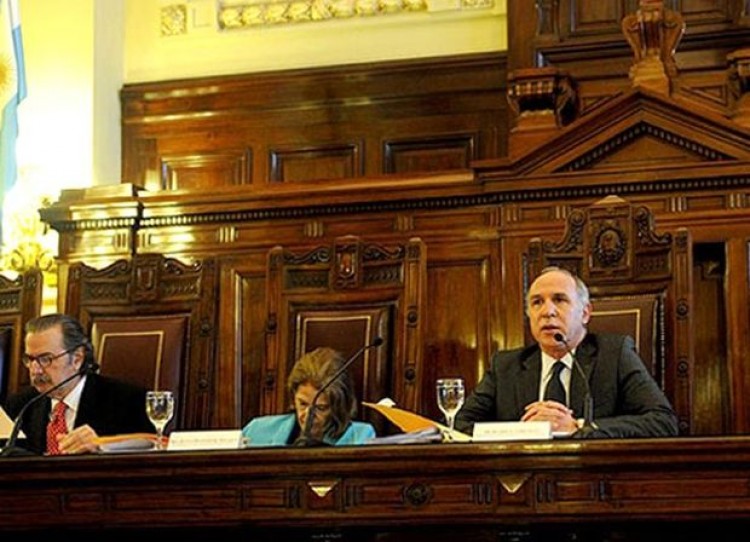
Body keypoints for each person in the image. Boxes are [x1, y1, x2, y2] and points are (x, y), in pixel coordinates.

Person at [454, 266, 679, 439]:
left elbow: (663, 421)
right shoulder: (505, 366)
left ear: (585, 313)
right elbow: (460, 425)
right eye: (537, 302)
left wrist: (578, 426)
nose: (547, 312)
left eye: (559, 300)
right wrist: (525, 431)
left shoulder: (614, 355)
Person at [4, 313, 155, 455]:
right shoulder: (20, 406)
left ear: (77, 359)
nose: (35, 370)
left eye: (45, 359)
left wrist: (102, 444)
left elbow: (157, 442)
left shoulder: (126, 401)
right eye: (30, 360)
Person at [242, 347, 376, 446]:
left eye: (321, 408)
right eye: (302, 404)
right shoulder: (256, 431)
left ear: (338, 407)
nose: (308, 415)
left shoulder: (360, 437)